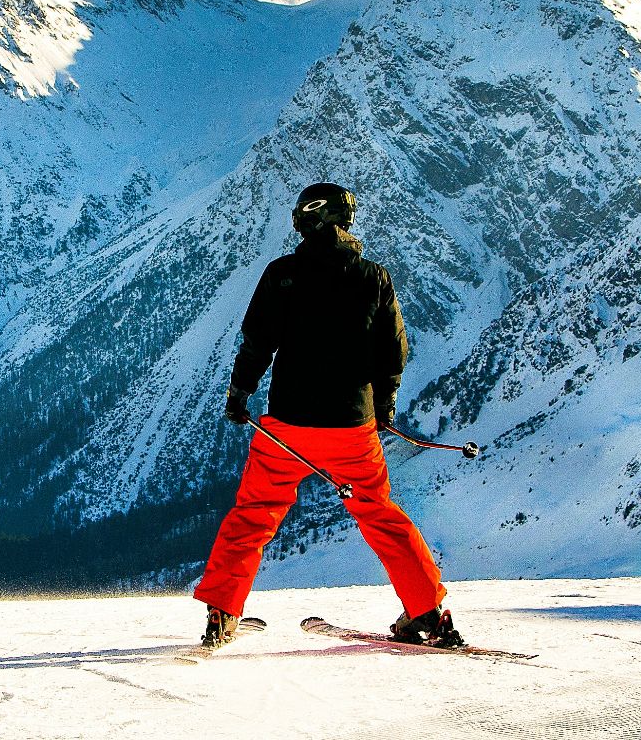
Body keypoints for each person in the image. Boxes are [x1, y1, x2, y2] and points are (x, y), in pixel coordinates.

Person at [192, 182, 462, 649]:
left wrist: (240, 394)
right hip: (352, 430)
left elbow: (258, 340)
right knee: (379, 513)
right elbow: (393, 352)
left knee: (254, 515)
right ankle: (427, 613)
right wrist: (383, 408)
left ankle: (223, 612)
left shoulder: (283, 274)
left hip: (287, 428)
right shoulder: (373, 277)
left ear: (311, 219)